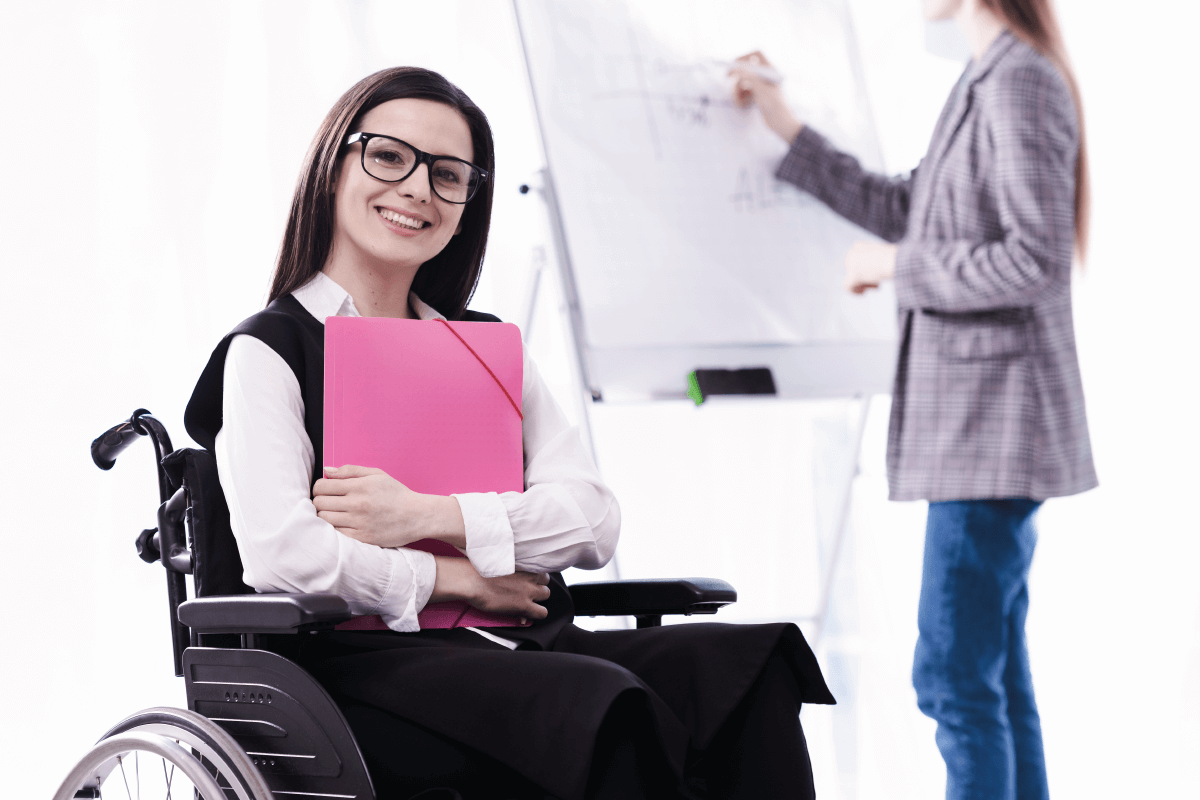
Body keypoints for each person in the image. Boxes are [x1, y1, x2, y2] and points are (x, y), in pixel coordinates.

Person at [183, 66, 834, 800]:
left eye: (448, 175)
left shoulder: (487, 350)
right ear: (335, 165)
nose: (418, 189)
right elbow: (285, 556)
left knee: (747, 665)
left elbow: (591, 520)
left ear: (467, 203)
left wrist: (427, 517)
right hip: (359, 673)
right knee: (596, 703)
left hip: (528, 643)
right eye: (390, 157)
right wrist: (460, 581)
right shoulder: (269, 350)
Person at [730, 0, 1095, 798]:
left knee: (952, 679)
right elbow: (906, 207)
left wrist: (896, 267)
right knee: (992, 679)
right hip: (983, 428)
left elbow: (1032, 261)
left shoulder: (1018, 82)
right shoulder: (988, 76)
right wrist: (786, 123)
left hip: (992, 429)